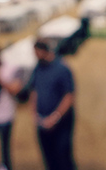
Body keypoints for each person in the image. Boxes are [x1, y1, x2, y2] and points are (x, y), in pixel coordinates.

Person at [29, 39, 76, 170]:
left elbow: (69, 96)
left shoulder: (62, 68)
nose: (35, 56)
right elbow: (34, 90)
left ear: (44, 51)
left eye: (36, 52)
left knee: (63, 157)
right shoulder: (38, 68)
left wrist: (55, 117)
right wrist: (34, 113)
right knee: (49, 158)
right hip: (42, 122)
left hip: (61, 123)